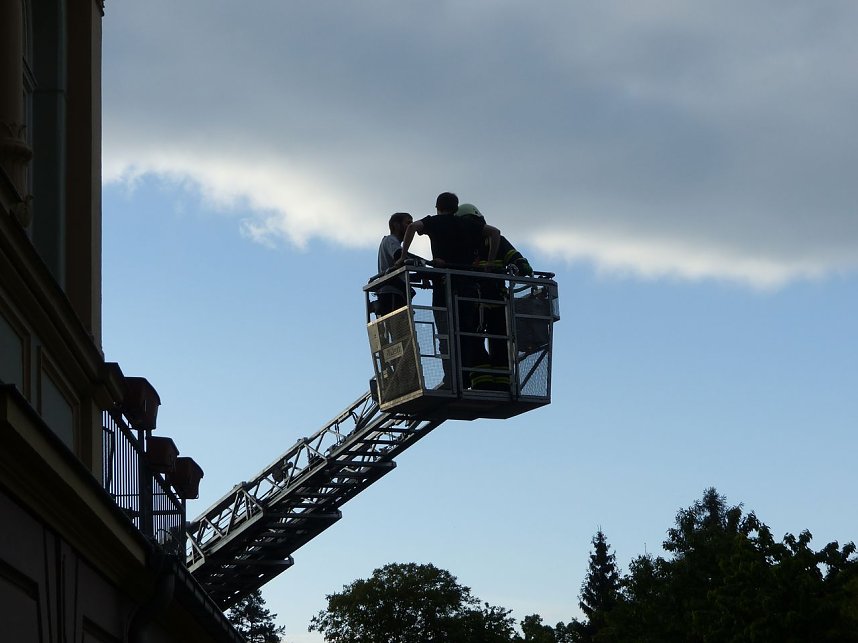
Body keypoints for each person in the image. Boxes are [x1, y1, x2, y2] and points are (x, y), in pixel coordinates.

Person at [396, 192, 500, 390]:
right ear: (456, 207)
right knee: (466, 332)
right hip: (468, 285)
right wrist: (491, 263)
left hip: (444, 285)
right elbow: (495, 233)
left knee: (446, 332)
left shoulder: (435, 222)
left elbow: (412, 227)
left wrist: (402, 256)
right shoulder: (467, 224)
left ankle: (452, 379)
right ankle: (466, 375)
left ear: (438, 207)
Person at [455, 203, 533, 391]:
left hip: (477, 301)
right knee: (495, 340)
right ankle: (495, 381)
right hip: (491, 300)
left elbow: (517, 259)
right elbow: (519, 262)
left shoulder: (463, 242)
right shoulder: (492, 241)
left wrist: (522, 265)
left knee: (475, 339)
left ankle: (490, 381)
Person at [375, 212, 413, 317]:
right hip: (391, 292)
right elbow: (399, 256)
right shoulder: (390, 239)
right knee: (398, 328)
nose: (411, 227)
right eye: (408, 223)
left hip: (395, 291)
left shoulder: (394, 243)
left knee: (401, 329)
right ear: (396, 225)